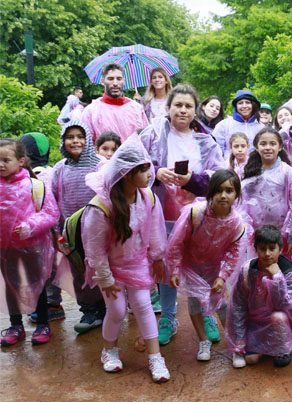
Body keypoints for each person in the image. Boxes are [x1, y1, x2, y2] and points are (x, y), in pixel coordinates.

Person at [138, 84, 225, 346]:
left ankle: (205, 311)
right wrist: (156, 171)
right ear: (169, 107)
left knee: (202, 264)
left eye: (188, 106)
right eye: (178, 105)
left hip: (197, 213)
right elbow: (134, 163)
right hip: (161, 211)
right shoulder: (152, 133)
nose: (183, 110)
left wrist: (191, 180)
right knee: (165, 263)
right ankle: (168, 316)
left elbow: (217, 175)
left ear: (195, 109)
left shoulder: (205, 139)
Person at [81, 137, 170, 382]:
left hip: (137, 263)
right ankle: (109, 350)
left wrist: (157, 258)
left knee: (143, 305)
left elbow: (155, 231)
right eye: (143, 170)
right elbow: (95, 247)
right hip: (110, 267)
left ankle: (155, 357)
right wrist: (105, 277)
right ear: (128, 174)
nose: (149, 174)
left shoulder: (148, 197)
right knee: (117, 310)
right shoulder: (102, 206)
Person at [167, 169, 248, 362]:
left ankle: (235, 346)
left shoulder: (236, 223)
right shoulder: (196, 213)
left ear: (237, 194)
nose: (223, 195)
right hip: (192, 265)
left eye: (229, 190)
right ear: (210, 192)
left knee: (222, 305)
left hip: (214, 267)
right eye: (218, 190)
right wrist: (175, 269)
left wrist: (222, 276)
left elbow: (233, 253)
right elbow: (177, 242)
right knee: (195, 303)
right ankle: (203, 341)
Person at [0, 139, 59, 346]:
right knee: (10, 284)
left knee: (38, 284)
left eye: (6, 159)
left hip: (32, 247)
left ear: (22, 161)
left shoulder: (35, 186)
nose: (1, 164)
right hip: (5, 249)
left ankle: (43, 323)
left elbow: (51, 213)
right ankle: (16, 325)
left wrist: (30, 226)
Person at [49, 120, 107, 334]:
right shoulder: (60, 169)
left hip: (98, 229)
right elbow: (53, 200)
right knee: (79, 271)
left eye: (80, 136)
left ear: (88, 140)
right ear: (63, 141)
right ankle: (90, 310)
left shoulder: (100, 164)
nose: (75, 141)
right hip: (71, 232)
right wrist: (57, 230)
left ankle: (109, 307)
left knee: (102, 266)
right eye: (70, 137)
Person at [226, 224, 292, 369]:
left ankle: (282, 350)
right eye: (262, 249)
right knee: (251, 359)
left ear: (280, 249)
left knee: (278, 317)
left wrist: (277, 277)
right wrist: (239, 340)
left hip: (280, 319)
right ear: (256, 250)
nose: (267, 254)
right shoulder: (248, 271)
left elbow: (284, 304)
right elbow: (238, 305)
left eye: (272, 248)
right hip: (256, 322)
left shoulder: (289, 273)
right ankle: (263, 349)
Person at [239, 128, 292, 261]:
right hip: (253, 234)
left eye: (272, 144)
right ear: (256, 147)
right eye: (263, 144)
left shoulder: (288, 172)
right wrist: (248, 231)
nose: (268, 147)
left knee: (279, 271)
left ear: (280, 147)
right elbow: (240, 204)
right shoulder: (246, 171)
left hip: (280, 235)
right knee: (254, 269)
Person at [81, 63, 148, 142]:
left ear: (124, 81)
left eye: (119, 79)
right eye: (110, 79)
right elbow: (86, 144)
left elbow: (147, 139)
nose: (115, 83)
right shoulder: (91, 111)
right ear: (103, 81)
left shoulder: (137, 108)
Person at [212, 90, 265, 156]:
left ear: (253, 105)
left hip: (254, 165)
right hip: (229, 165)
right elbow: (216, 150)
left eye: (248, 102)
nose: (244, 106)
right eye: (240, 103)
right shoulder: (224, 125)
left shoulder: (261, 127)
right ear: (236, 106)